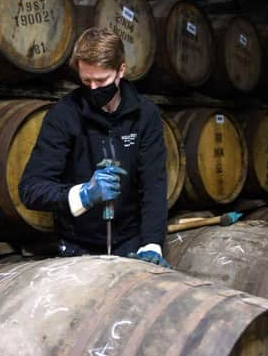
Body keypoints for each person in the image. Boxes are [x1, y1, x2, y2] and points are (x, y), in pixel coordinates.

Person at [19, 28, 169, 267]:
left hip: (130, 244)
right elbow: (31, 189)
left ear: (121, 70)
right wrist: (83, 194)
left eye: (101, 81)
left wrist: (151, 243)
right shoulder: (64, 115)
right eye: (86, 80)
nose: (93, 89)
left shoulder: (145, 115)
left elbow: (154, 184)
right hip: (78, 246)